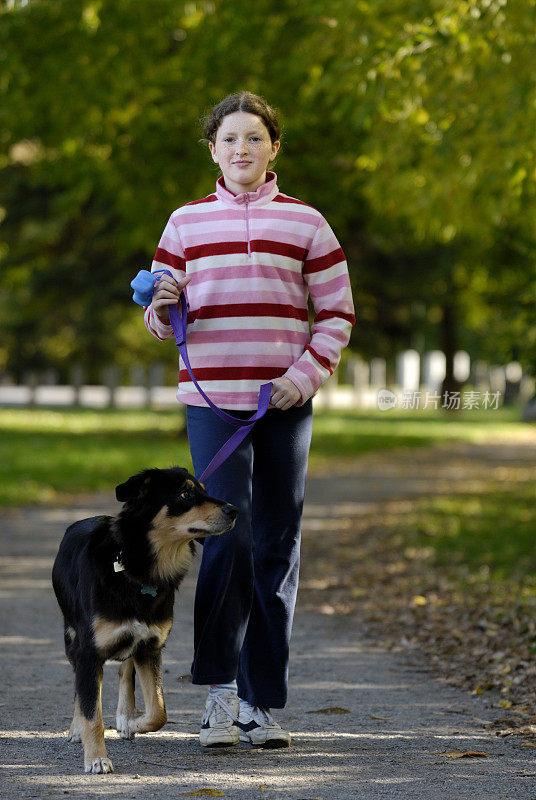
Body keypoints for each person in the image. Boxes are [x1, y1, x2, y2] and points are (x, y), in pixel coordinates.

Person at [144, 91, 355, 749]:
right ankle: (217, 694)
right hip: (211, 401)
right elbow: (159, 318)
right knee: (224, 539)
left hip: (284, 403)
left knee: (276, 543)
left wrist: (302, 378)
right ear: (213, 149)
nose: (242, 149)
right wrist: (163, 303)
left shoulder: (308, 223)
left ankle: (261, 702)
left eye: (254, 138)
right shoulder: (183, 223)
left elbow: (338, 314)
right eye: (230, 139)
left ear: (273, 148)